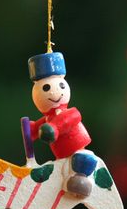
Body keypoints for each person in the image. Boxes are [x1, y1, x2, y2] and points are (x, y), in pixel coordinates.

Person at [28, 52, 97, 197]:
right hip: (62, 156)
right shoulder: (48, 119)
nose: (54, 93)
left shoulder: (71, 113)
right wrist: (32, 129)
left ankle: (82, 182)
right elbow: (44, 126)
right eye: (45, 88)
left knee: (84, 158)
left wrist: (54, 128)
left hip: (77, 149)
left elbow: (64, 122)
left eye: (60, 85)